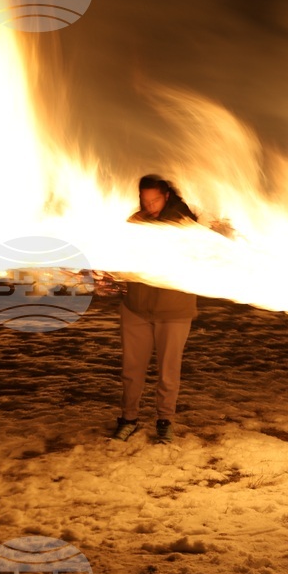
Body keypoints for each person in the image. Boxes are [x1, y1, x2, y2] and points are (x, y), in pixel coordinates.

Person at [113, 175, 199, 444]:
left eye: (155, 200)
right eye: (145, 200)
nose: (150, 206)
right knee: (132, 370)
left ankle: (165, 421)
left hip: (174, 311)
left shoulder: (185, 226)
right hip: (136, 309)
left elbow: (192, 261)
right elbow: (123, 257)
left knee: (168, 371)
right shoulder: (136, 222)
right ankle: (128, 418)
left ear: (167, 196)